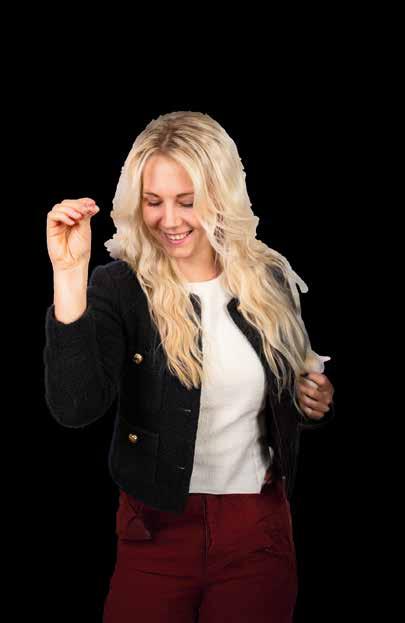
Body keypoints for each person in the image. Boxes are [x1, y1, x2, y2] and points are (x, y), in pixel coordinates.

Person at [44, 111, 335, 623]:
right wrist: (69, 275)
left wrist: (311, 402)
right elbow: (75, 407)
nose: (170, 220)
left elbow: (287, 393)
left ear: (221, 196)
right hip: (153, 529)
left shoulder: (268, 278)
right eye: (153, 201)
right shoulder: (120, 287)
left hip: (256, 530)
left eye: (188, 200)